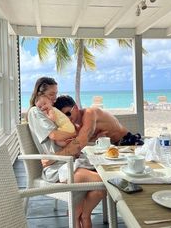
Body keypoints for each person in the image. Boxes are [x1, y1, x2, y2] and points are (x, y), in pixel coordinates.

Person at [28, 77, 106, 228]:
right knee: (104, 182)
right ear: (39, 93)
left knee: (100, 187)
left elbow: (64, 130)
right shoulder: (35, 112)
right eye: (51, 94)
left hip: (70, 162)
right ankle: (80, 215)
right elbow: (55, 135)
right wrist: (76, 135)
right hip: (57, 168)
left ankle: (83, 215)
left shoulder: (51, 111)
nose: (54, 98)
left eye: (56, 94)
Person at [54, 95, 144, 149]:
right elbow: (79, 142)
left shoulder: (90, 113)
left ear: (76, 108)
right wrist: (96, 139)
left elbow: (81, 141)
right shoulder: (75, 126)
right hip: (112, 149)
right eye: (63, 117)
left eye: (68, 113)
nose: (68, 119)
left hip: (128, 142)